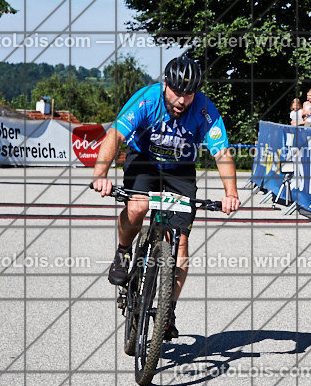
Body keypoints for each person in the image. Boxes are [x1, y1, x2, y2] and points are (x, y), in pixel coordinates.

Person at [91, 55, 241, 340]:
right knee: (137, 206)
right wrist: (101, 174)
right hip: (144, 161)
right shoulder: (147, 100)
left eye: (189, 93)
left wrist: (230, 194)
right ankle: (123, 252)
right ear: (165, 85)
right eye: (177, 92)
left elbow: (222, 152)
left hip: (180, 170)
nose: (182, 100)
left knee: (181, 241)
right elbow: (115, 136)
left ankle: (167, 310)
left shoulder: (205, 110)